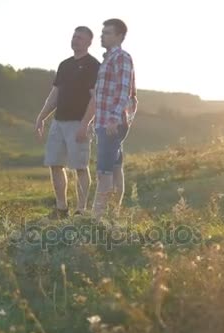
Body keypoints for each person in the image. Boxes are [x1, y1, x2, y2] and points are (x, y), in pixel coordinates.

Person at [34, 26, 100, 219]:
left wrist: (85, 124)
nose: (75, 40)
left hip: (79, 122)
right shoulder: (64, 65)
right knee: (54, 164)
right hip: (58, 122)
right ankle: (61, 208)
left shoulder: (93, 65)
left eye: (80, 37)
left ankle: (80, 210)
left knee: (80, 166)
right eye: (74, 36)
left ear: (89, 42)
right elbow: (54, 96)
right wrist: (41, 117)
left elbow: (95, 99)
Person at [90, 18, 138, 220]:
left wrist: (112, 118)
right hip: (106, 121)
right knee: (115, 167)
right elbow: (103, 95)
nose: (102, 36)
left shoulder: (121, 57)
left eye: (108, 32)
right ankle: (113, 214)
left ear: (119, 36)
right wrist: (96, 119)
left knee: (104, 171)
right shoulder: (108, 59)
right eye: (103, 32)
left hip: (112, 122)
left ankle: (98, 218)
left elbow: (124, 91)